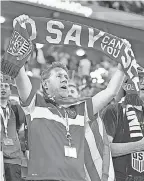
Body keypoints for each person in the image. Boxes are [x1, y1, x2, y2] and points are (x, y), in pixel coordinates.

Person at [13, 15, 126, 181]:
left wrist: (123, 65)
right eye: (59, 76)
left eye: (66, 77)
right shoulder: (35, 104)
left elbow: (110, 92)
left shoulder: (80, 110)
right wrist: (20, 34)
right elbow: (18, 71)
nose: (65, 79)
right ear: (45, 84)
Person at [102, 71, 144, 181]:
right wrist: (138, 145)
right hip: (121, 177)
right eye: (139, 80)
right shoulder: (113, 111)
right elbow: (103, 149)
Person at [0, 74, 26, 181]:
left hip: (13, 158)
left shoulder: (15, 109)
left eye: (6, 86)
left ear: (10, 91)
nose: (3, 88)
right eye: (0, 85)